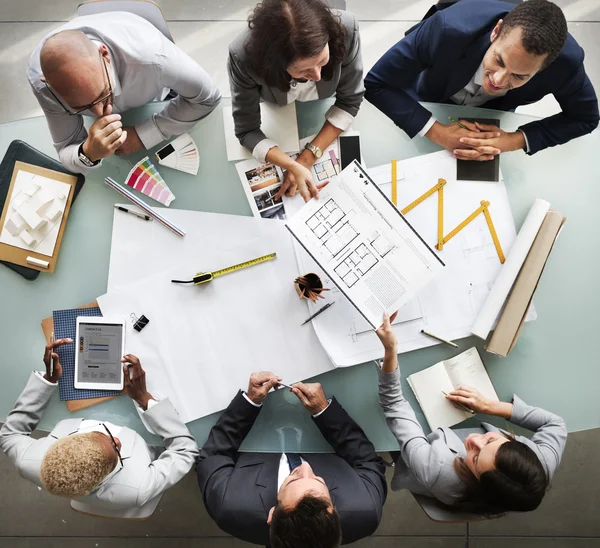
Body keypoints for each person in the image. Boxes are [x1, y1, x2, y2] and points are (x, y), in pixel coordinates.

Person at [374, 312, 567, 514]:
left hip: (422, 454)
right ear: (516, 446)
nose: (474, 441)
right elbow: (555, 424)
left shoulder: (436, 468)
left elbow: (393, 402)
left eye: (475, 459)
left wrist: (390, 349)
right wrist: (489, 407)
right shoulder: (539, 465)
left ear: (477, 481)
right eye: (491, 441)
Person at [364, 0, 599, 161]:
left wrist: (515, 140)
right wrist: (436, 132)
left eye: (519, 76)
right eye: (499, 60)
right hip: (428, 97)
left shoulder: (566, 64)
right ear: (496, 32)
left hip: (492, 117)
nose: (497, 81)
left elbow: (586, 117)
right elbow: (376, 83)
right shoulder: (447, 29)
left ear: (545, 68)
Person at [0, 338, 199, 512]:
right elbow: (186, 450)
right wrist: (144, 398)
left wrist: (48, 379)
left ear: (67, 440)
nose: (118, 441)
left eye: (102, 434)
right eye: (115, 448)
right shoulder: (139, 487)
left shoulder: (29, 461)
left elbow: (9, 435)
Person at [196, 372, 387, 547]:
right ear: (335, 512)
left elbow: (214, 455)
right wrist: (323, 411)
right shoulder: (366, 508)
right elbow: (367, 461)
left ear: (272, 514)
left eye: (293, 479)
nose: (305, 467)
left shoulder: (228, 505)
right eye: (318, 480)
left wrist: (250, 402)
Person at [27, 12, 221, 174]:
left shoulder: (154, 59)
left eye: (103, 94)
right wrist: (88, 153)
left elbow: (208, 97)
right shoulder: (41, 83)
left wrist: (142, 135)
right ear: (48, 85)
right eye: (81, 107)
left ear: (104, 54)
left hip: (156, 99)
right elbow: (66, 146)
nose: (100, 114)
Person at [228, 0, 364, 202]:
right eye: (304, 70)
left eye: (322, 61)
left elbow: (350, 101)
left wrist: (307, 158)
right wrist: (291, 165)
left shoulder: (347, 29)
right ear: (275, 64)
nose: (317, 75)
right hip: (278, 115)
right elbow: (246, 130)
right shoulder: (242, 56)